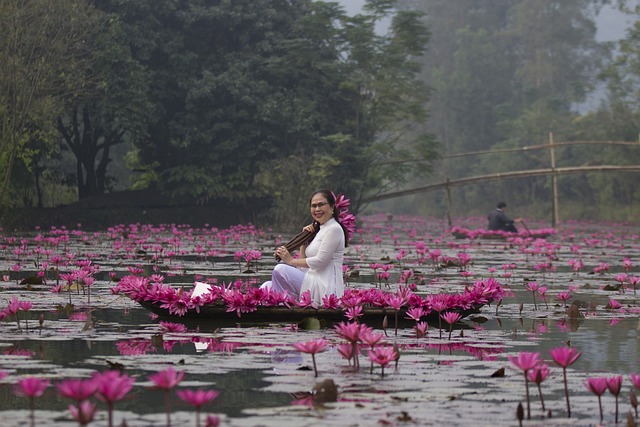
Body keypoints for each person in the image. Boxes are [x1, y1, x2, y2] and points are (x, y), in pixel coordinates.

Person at [260, 189, 351, 304]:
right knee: (266, 287)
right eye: (313, 206)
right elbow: (305, 269)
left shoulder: (334, 229)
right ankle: (284, 303)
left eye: (321, 204)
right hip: (312, 280)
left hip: (325, 288)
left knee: (280, 269)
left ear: (332, 207)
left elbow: (320, 261)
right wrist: (303, 242)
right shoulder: (321, 229)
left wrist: (291, 260)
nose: (317, 209)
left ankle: (286, 304)